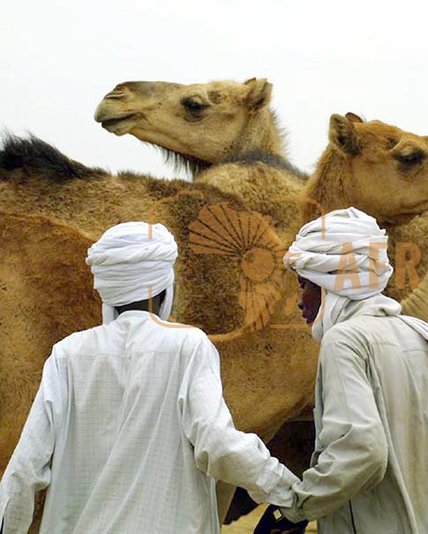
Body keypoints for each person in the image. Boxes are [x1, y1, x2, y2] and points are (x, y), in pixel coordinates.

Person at [0, 222, 299, 533]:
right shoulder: (188, 346)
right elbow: (219, 444)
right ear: (164, 287)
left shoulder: (67, 355)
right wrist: (289, 492)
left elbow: (24, 469)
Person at [263, 207, 428, 533]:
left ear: (331, 282)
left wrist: (295, 508)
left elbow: (362, 451)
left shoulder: (344, 340)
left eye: (304, 285)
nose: (299, 301)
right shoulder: (423, 335)